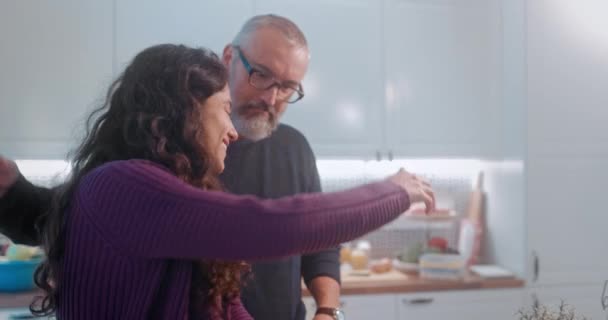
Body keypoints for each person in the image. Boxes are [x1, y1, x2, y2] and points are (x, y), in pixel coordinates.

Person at [0, 15, 433, 320]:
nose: (273, 97)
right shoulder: (126, 184)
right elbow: (268, 227)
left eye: (289, 87)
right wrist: (394, 190)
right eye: (262, 77)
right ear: (181, 114)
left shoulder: (195, 173)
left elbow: (220, 297)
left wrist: (326, 310)